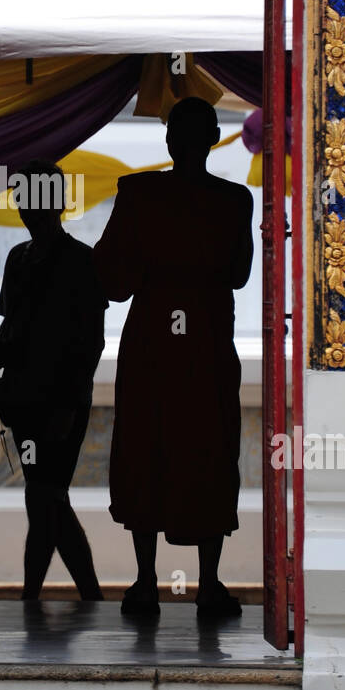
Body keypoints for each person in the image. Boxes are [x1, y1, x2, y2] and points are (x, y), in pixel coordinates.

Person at [93, 97, 254, 617]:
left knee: (147, 448)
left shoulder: (138, 192)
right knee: (208, 450)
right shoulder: (234, 200)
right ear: (212, 140)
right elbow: (239, 275)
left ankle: (144, 583)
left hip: (152, 342)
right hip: (206, 339)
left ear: (168, 142)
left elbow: (113, 281)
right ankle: (209, 585)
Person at [0, 159, 107, 602]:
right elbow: (10, 325)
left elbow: (90, 343)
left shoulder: (80, 261)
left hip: (57, 401)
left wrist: (70, 405)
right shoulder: (22, 258)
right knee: (46, 496)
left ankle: (40, 593)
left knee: (44, 495)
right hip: (24, 398)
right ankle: (65, 594)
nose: (22, 208)